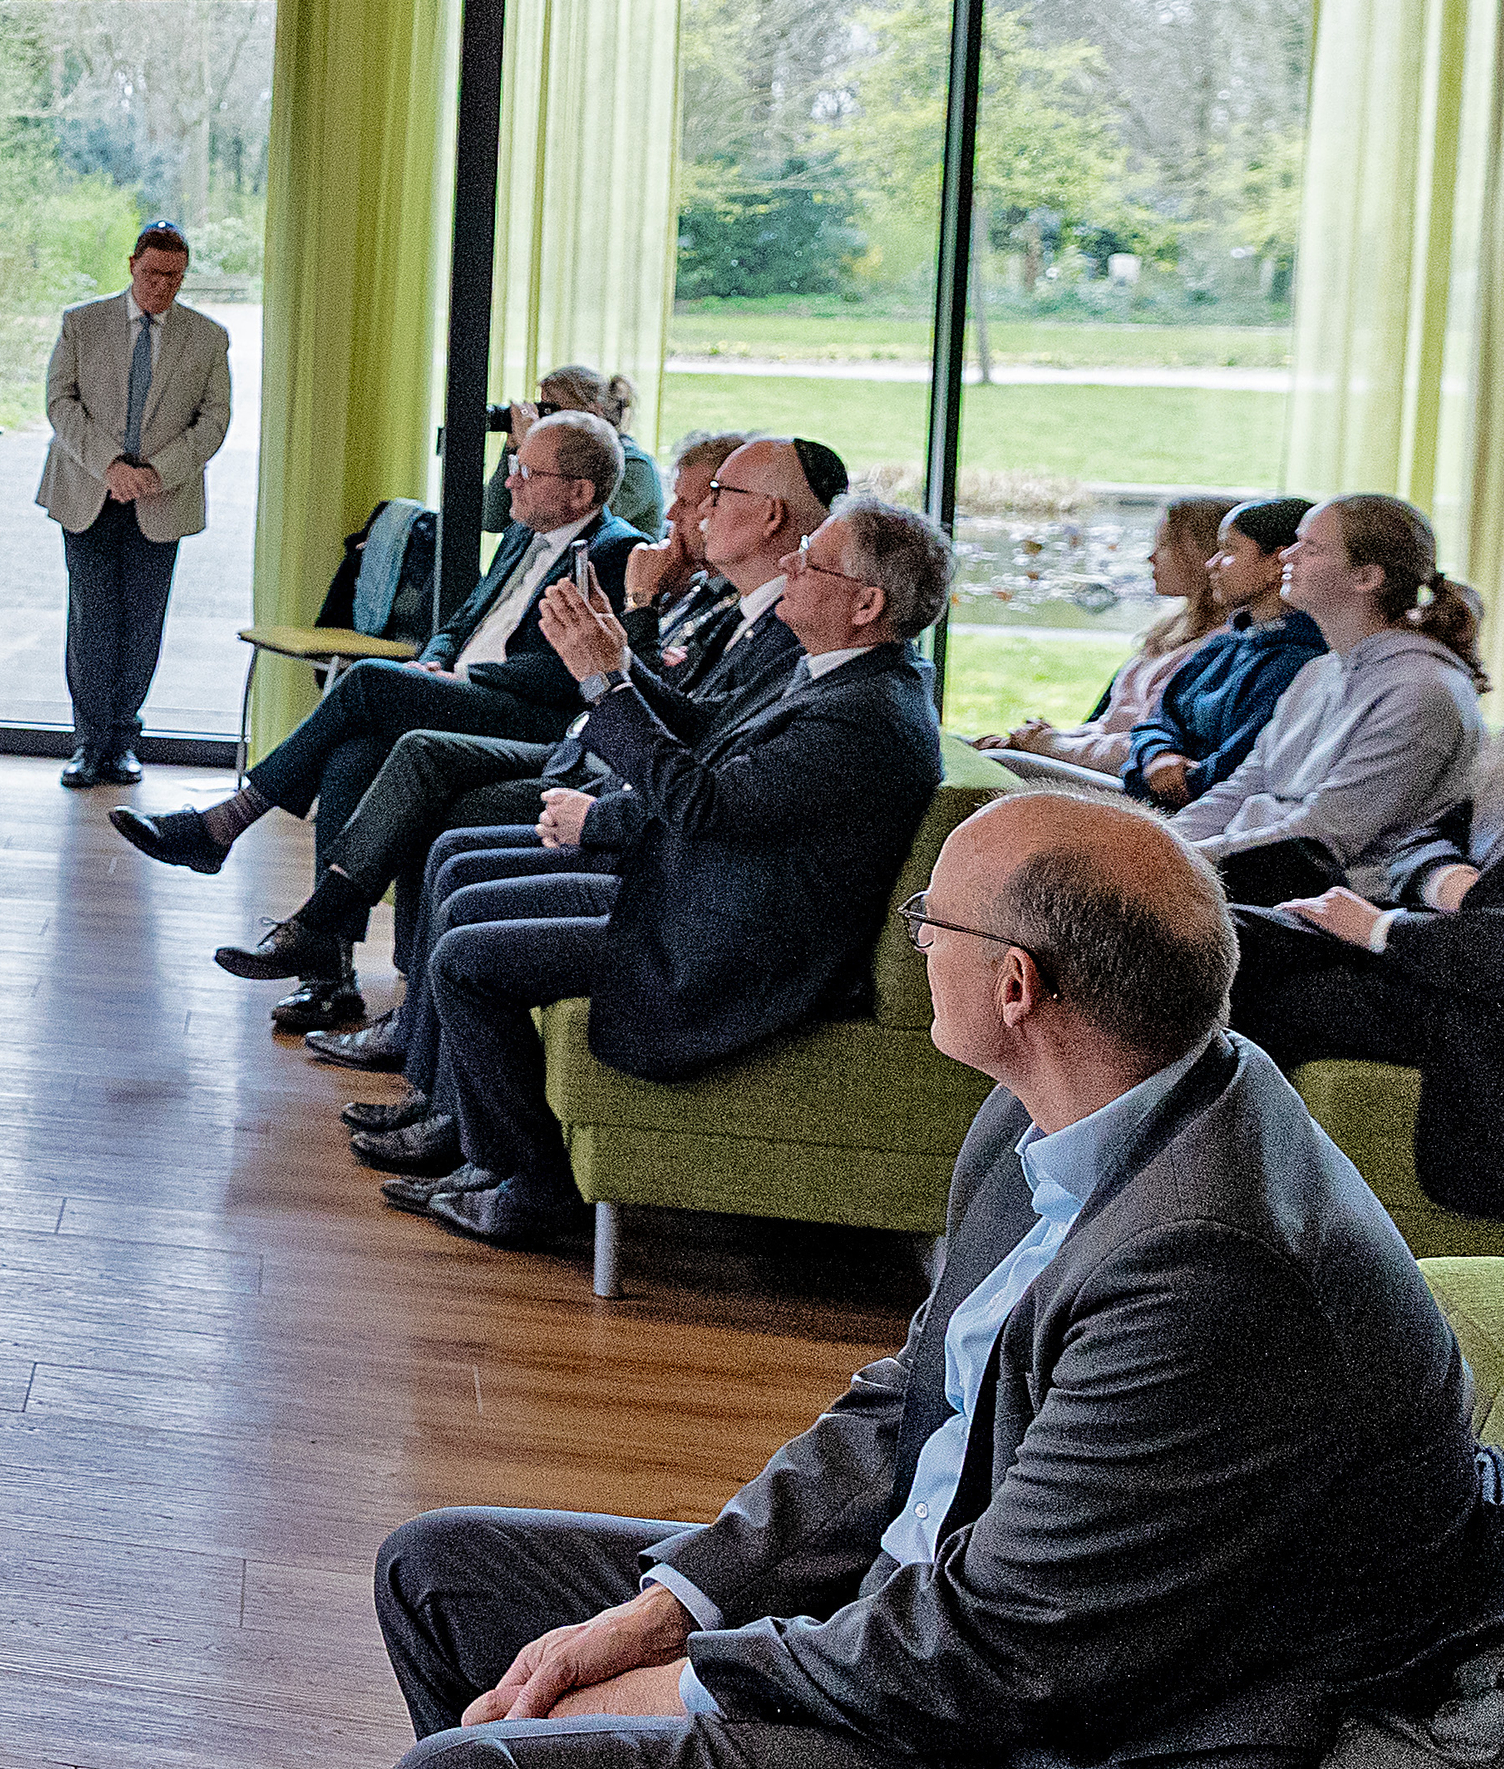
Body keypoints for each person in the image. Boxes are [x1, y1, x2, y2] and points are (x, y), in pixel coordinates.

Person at [368, 788, 1504, 1769]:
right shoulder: (1077, 1103)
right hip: (943, 1623)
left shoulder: (1205, 1264)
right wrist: (674, 1604)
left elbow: (996, 1656)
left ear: (1015, 985)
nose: (914, 940)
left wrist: (699, 1683)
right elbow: (915, 1402)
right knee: (441, 1574)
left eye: (932, 920)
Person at [383, 498, 951, 1249]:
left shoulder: (865, 713)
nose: (787, 566)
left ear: (866, 602)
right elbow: (706, 728)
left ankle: (536, 1191)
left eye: (809, 560)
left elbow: (701, 804)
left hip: (731, 952)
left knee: (469, 961)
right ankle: (482, 1154)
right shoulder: (845, 675)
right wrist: (615, 661)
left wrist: (603, 686)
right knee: (472, 904)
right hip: (703, 900)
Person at [290, 434, 843, 1098]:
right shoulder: (747, 614)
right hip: (609, 777)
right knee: (373, 753)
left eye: (713, 497)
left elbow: (701, 779)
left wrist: (611, 665)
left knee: (404, 747)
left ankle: (339, 956)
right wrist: (610, 655)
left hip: (643, 836)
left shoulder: (798, 648)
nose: (682, 515)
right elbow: (700, 734)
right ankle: (389, 1024)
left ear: (773, 517)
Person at [106, 413, 648, 1024]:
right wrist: (440, 659)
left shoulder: (615, 550)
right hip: (462, 688)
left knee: (364, 680)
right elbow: (459, 623)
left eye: (529, 471)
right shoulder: (524, 536)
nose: (511, 482)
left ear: (579, 492)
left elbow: (574, 672)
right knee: (350, 754)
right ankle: (328, 978)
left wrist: (462, 677)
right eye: (516, 466)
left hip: (530, 717)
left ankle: (226, 824)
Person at [1232, 544, 1504, 1221]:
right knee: (1218, 938)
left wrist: (1383, 929)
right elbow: (1424, 839)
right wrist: (1448, 887)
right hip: (1449, 959)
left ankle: (1235, 1216)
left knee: (1277, 994)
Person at [1170, 493, 1486, 903]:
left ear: (1367, 578)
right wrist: (1162, 840)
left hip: (1329, 905)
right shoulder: (1320, 670)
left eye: (1310, 548)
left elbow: (1321, 838)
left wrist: (1173, 861)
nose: (1288, 557)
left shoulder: (1421, 690)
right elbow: (1244, 785)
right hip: (1250, 875)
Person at [39, 222, 236, 787]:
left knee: (142, 624)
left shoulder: (207, 337)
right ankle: (87, 743)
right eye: (152, 274)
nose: (161, 286)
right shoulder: (83, 323)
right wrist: (111, 466)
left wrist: (155, 473)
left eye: (173, 277)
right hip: (88, 492)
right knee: (92, 620)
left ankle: (124, 741)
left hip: (160, 499)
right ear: (131, 266)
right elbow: (60, 402)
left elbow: (214, 422)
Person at [981, 493, 1235, 789]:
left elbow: (1145, 744)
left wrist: (1050, 745)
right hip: (1096, 760)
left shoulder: (1218, 647)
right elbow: (1110, 723)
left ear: (1199, 554)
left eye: (1164, 544)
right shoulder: (1173, 627)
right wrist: (1040, 740)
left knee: (995, 765)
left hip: (1125, 780)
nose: (1150, 556)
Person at [1120, 495, 1324, 810]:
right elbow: (1158, 719)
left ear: (1276, 563)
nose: (1211, 564)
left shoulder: (1294, 661)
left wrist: (1168, 781)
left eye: (1228, 550)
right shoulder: (1227, 642)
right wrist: (1158, 754)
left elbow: (1236, 769)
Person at [480, 364, 663, 538]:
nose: (544, 418)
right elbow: (493, 518)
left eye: (550, 410)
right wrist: (516, 448)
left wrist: (532, 443)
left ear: (591, 413)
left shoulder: (636, 468)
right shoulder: (555, 457)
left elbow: (570, 519)